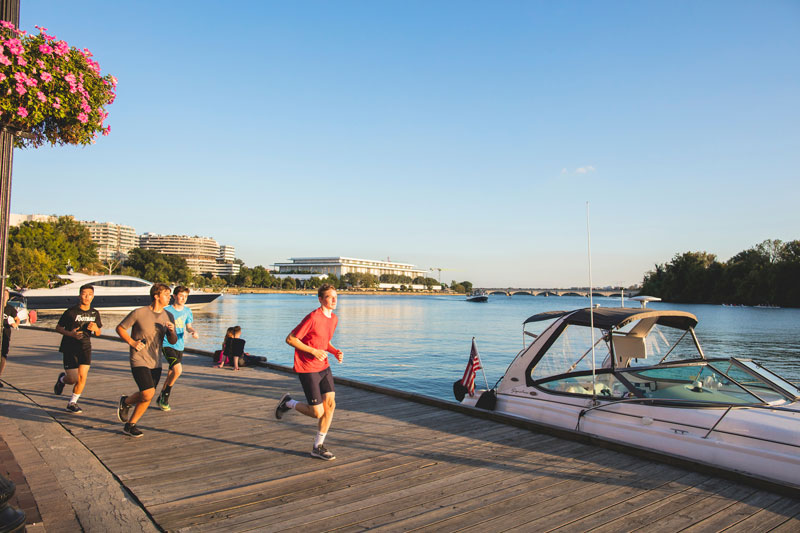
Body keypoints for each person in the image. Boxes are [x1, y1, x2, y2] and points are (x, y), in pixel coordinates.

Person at [275, 284, 343, 461]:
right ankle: (288, 403)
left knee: (330, 405)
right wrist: (313, 351)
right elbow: (290, 339)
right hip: (307, 367)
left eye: (336, 296)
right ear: (320, 299)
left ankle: (317, 447)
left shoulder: (334, 319)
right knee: (317, 412)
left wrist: (334, 351)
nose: (334, 300)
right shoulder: (313, 317)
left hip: (324, 366)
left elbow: (324, 341)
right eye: (329, 297)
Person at [115, 283, 176, 438]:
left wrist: (171, 331)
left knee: (146, 395)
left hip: (156, 361)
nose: (170, 297)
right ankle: (127, 403)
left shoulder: (168, 316)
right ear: (156, 296)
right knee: (148, 393)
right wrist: (132, 342)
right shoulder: (139, 313)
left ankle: (130, 422)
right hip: (139, 358)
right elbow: (120, 328)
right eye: (167, 294)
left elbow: (173, 341)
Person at [53, 284, 102, 413]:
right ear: (80, 295)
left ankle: (72, 403)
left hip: (85, 347)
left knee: (82, 378)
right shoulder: (71, 312)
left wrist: (96, 329)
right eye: (84, 294)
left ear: (93, 296)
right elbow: (58, 328)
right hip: (70, 347)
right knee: (73, 379)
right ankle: (62, 379)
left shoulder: (95, 313)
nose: (87, 297)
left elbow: (98, 332)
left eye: (89, 294)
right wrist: (71, 334)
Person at [156, 286, 198, 411]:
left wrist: (193, 331)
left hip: (179, 345)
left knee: (171, 373)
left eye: (186, 296)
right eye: (181, 296)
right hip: (166, 343)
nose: (183, 299)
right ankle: (166, 396)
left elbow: (189, 326)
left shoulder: (187, 311)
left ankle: (162, 397)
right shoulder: (166, 310)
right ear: (174, 296)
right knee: (178, 370)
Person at [0, 289, 20, 387]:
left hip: (5, 334)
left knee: (3, 356)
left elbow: (17, 319)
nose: (4, 297)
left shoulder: (10, 309)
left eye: (6, 295)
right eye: (3, 294)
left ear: (8, 297)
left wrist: (15, 324)